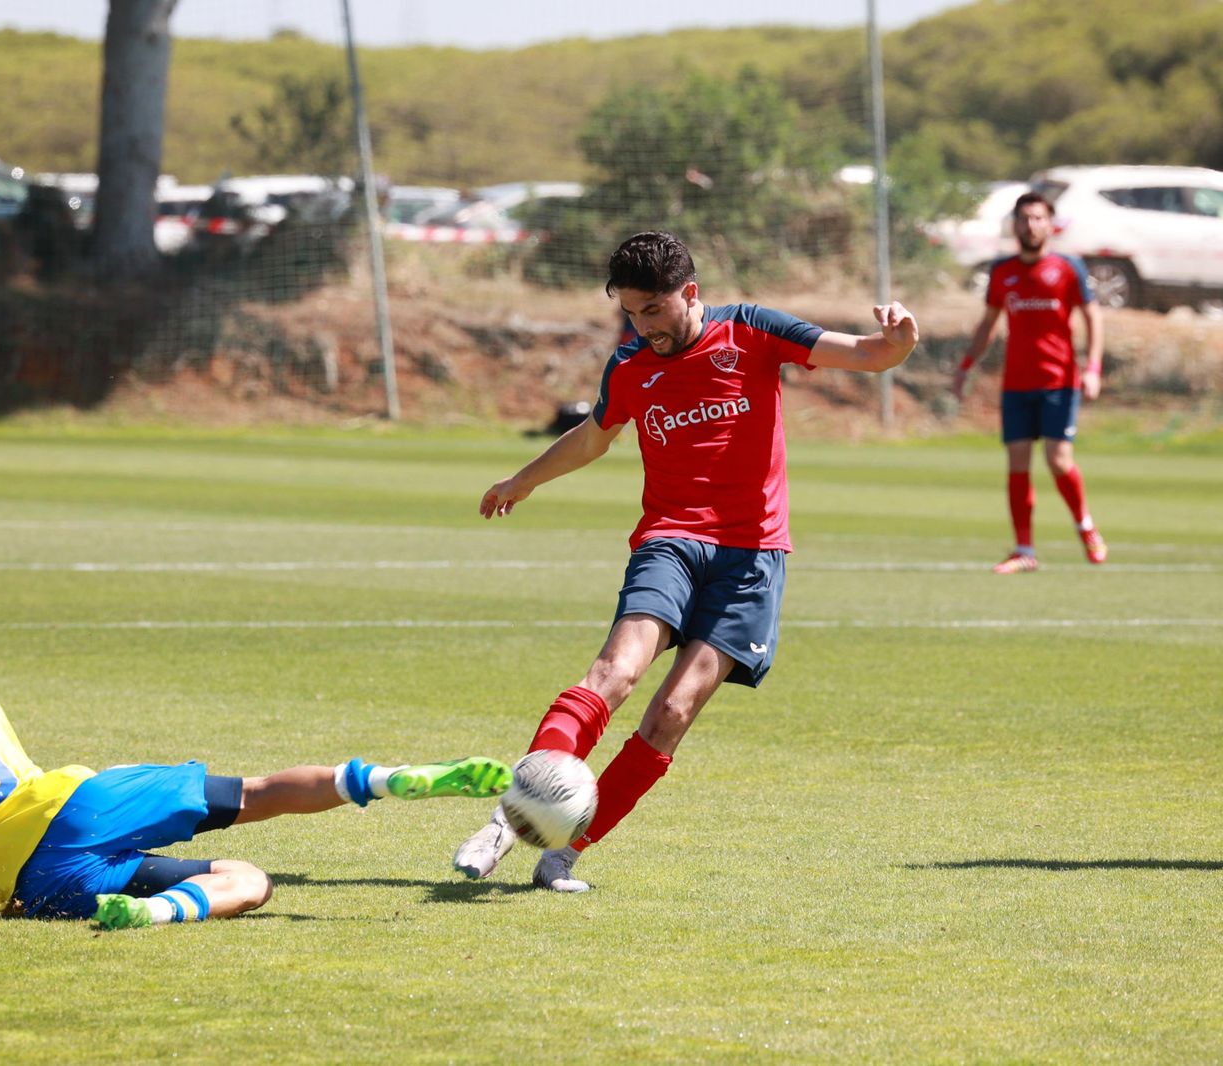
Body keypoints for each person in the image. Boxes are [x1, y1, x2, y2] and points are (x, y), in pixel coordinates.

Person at [451, 230, 919, 893]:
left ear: (689, 293)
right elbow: (593, 437)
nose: (643, 326)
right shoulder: (630, 364)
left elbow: (867, 354)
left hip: (752, 557)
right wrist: (523, 480)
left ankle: (563, 853)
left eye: (653, 310)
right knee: (616, 671)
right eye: (631, 313)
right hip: (670, 540)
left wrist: (898, 343)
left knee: (671, 715)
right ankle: (509, 821)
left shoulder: (752, 331)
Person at [0, 626, 512, 929]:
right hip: (81, 807)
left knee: (251, 880)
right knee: (260, 796)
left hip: (40, 889)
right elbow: (5, 794)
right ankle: (397, 777)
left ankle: (158, 915)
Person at [952, 191, 1107, 573]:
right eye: (1024, 218)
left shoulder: (1068, 268)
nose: (1031, 225)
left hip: (1059, 381)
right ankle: (1024, 549)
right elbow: (988, 323)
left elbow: (1093, 318)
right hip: (1016, 385)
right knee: (1017, 463)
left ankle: (1085, 526)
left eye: (1038, 218)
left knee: (1057, 459)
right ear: (1015, 224)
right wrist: (966, 365)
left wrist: (1093, 369)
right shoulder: (1002, 271)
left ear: (1049, 224)